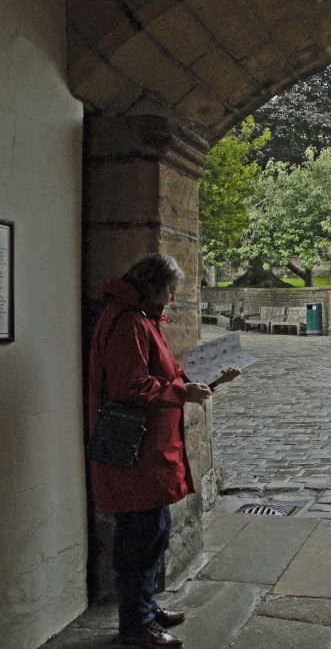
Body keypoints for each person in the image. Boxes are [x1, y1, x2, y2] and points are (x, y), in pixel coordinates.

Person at [87, 254, 241, 648]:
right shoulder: (129, 323)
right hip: (137, 451)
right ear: (154, 287)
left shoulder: (140, 318)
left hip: (150, 447)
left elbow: (164, 375)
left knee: (154, 533)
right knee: (139, 540)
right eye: (171, 291)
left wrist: (210, 378)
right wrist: (182, 392)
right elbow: (130, 385)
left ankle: (146, 606)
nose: (173, 299)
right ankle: (136, 625)